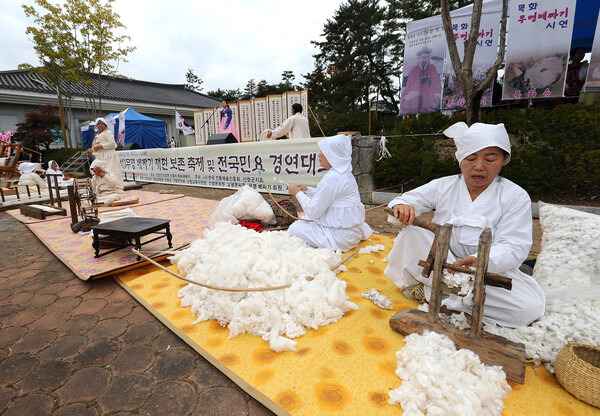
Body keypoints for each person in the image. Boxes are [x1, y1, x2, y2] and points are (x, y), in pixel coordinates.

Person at [384, 122, 545, 328]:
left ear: (504, 159)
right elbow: (405, 200)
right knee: (413, 233)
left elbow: (514, 245)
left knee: (528, 309)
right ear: (460, 158)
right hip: (440, 263)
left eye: (490, 159)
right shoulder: (444, 185)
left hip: (482, 271)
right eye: (470, 158)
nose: (479, 166)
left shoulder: (515, 196)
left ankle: (439, 297)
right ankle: (447, 295)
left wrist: (479, 260)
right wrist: (402, 206)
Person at [287, 134, 372, 251]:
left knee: (294, 228)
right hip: (352, 234)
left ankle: (319, 247)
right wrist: (307, 190)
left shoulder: (333, 178)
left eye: (323, 151)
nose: (319, 155)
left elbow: (313, 211)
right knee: (304, 224)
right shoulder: (345, 174)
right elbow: (328, 196)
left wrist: (297, 193)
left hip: (338, 237)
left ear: (332, 156)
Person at [401, 46, 442, 114]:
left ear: (428, 58)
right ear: (419, 58)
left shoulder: (432, 68)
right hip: (416, 98)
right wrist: (410, 94)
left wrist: (435, 94)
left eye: (426, 57)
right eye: (422, 57)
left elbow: (436, 84)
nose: (424, 59)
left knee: (435, 103)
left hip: (429, 97)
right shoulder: (413, 71)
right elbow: (408, 87)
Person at [87, 117, 124, 188]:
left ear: (105, 125)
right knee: (100, 170)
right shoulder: (97, 135)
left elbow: (113, 144)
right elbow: (96, 146)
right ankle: (104, 186)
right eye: (98, 124)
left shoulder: (108, 133)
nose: (100, 125)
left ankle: (116, 186)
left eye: (102, 124)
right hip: (100, 155)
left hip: (108, 155)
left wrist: (101, 146)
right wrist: (92, 150)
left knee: (111, 169)